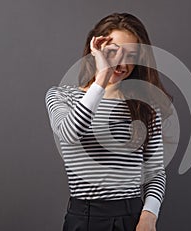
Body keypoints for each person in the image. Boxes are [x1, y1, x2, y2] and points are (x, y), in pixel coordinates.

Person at [45, 12, 172, 231]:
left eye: (130, 55)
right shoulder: (61, 96)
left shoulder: (145, 106)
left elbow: (155, 174)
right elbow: (70, 133)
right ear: (96, 49)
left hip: (131, 217)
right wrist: (102, 78)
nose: (121, 63)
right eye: (113, 52)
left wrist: (149, 217)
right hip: (83, 218)